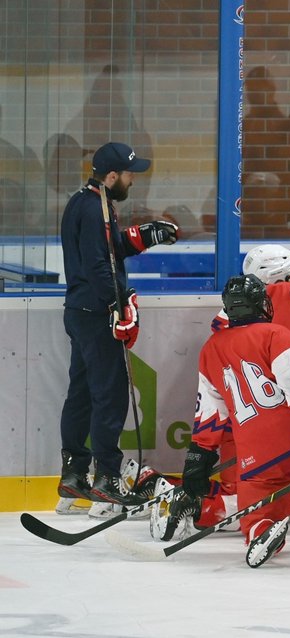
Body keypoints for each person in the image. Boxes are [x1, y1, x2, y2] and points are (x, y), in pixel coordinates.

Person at [57, 141, 178, 508]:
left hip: (80, 311)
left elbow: (106, 249)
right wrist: (118, 306)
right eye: (128, 174)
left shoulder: (85, 201)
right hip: (97, 313)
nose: (132, 180)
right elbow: (98, 264)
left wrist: (142, 238)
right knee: (109, 395)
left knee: (80, 393)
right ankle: (107, 478)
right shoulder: (96, 209)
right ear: (112, 176)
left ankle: (75, 473)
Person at [172, 275, 290, 568]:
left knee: (257, 515)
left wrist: (199, 454)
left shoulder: (211, 347)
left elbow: (211, 411)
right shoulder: (279, 335)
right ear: (262, 304)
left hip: (253, 453)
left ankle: (258, 531)